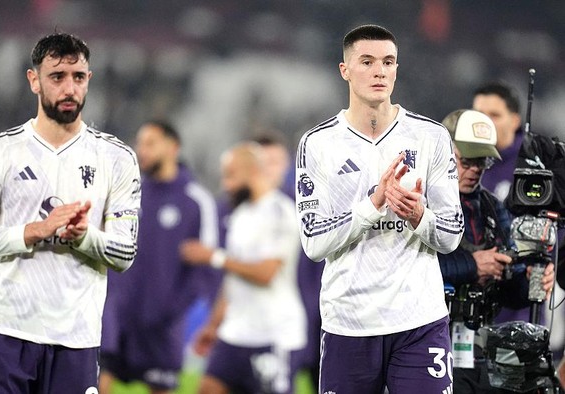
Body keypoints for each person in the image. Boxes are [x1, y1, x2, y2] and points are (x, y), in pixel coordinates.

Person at [0, 32, 141, 394]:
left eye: (79, 77)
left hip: (76, 338)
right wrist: (34, 231)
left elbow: (125, 253)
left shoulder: (117, 159)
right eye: (57, 77)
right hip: (6, 330)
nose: (69, 88)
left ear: (89, 79)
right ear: (34, 80)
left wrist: (83, 236)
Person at [295, 24, 464, 393]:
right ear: (345, 70)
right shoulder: (318, 143)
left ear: (397, 69)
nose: (379, 71)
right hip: (348, 324)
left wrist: (419, 215)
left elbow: (451, 235)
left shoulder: (431, 136)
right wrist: (373, 205)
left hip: (419, 321)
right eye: (367, 61)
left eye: (388, 62)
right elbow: (313, 243)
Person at [438, 109, 555, 393]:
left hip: (478, 348)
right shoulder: (421, 203)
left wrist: (532, 280)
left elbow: (512, 291)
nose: (475, 169)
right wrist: (473, 265)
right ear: (442, 151)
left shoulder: (492, 207)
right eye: (466, 160)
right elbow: (409, 267)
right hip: (427, 343)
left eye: (482, 161)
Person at [99, 120, 219, 394]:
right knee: (95, 386)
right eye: (140, 144)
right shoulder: (127, 194)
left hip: (162, 327)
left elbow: (205, 266)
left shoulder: (196, 200)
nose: (142, 150)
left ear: (173, 147)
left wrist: (171, 310)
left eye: (150, 143)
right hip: (118, 319)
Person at [180, 142, 306, 394]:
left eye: (231, 175)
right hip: (235, 332)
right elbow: (232, 280)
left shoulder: (280, 211)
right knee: (207, 388)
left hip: (272, 334)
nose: (226, 184)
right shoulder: (240, 215)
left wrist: (214, 257)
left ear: (253, 172)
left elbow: (265, 274)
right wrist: (214, 325)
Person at [253, 133, 324, 390]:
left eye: (277, 161)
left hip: (316, 320)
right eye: (265, 162)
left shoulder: (305, 209)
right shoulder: (238, 212)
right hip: (269, 322)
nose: (272, 168)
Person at [472, 82, 523, 201]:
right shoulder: (457, 158)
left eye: (494, 115)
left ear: (515, 121)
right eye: (479, 114)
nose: (485, 122)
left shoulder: (534, 163)